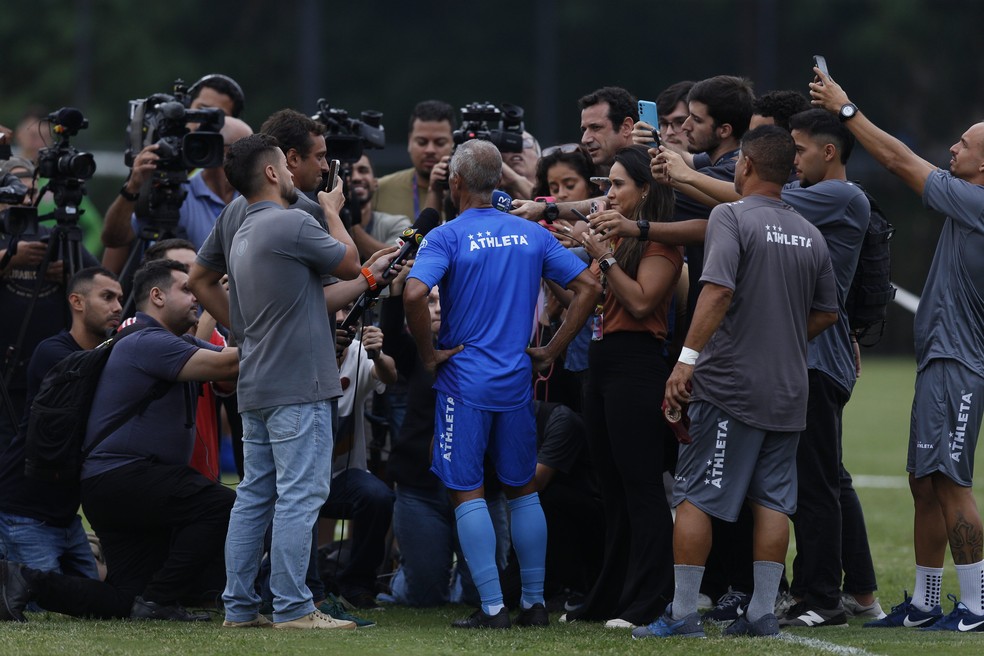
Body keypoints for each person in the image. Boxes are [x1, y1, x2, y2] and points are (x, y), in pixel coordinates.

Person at [633, 126, 838, 640]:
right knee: (773, 501)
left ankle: (681, 615)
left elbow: (717, 291)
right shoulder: (808, 231)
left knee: (697, 496)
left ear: (744, 165)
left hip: (730, 387)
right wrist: (780, 335)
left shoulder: (730, 215)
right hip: (789, 388)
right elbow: (827, 313)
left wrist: (686, 360)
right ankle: (763, 614)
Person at [811, 65, 984, 632]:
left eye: (963, 144)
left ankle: (978, 608)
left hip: (960, 364)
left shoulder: (978, 203)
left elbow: (898, 160)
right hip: (939, 359)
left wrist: (845, 108)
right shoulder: (967, 200)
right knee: (923, 482)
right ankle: (927, 603)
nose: (951, 149)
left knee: (952, 482)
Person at [403, 139, 600, 628]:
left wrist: (430, 356)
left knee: (466, 491)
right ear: (497, 184)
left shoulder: (446, 236)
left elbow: (412, 294)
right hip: (516, 383)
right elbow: (590, 287)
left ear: (456, 184)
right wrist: (551, 350)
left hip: (464, 383)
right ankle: (533, 604)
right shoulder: (530, 233)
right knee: (522, 491)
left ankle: (492, 607)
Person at [0, 259, 240, 623]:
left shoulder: (170, 341)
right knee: (221, 505)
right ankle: (160, 600)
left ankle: (22, 580)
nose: (198, 298)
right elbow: (229, 366)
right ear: (157, 296)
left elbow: (236, 360)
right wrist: (290, 329)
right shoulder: (148, 341)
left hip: (110, 485)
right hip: (126, 478)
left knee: (125, 597)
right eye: (188, 289)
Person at [218, 134, 359, 631]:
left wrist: (368, 280)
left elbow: (311, 297)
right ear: (275, 173)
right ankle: (295, 607)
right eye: (286, 165)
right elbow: (347, 260)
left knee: (255, 493)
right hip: (299, 383)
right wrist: (334, 210)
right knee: (301, 495)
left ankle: (239, 607)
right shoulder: (293, 222)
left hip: (256, 383)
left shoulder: (242, 231)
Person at [555, 145, 682, 629]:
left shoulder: (659, 244)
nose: (607, 194)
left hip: (637, 367)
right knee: (611, 491)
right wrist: (566, 258)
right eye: (607, 184)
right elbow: (586, 298)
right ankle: (607, 599)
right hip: (603, 365)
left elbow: (644, 302)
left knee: (641, 488)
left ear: (645, 191)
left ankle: (647, 601)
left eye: (617, 185)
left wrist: (601, 256)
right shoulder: (617, 242)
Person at [776, 109, 881, 628]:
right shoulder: (820, 196)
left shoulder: (841, 196)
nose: (792, 160)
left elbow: (753, 202)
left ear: (828, 152)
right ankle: (831, 593)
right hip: (808, 360)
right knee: (812, 482)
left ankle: (821, 599)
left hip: (817, 362)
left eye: (797, 149)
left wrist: (683, 174)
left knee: (815, 486)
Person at [0, 267, 121, 584]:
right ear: (77, 302)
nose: (119, 307)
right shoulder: (52, 352)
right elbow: (94, 374)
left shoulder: (108, 353)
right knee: (42, 605)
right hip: (22, 513)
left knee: (96, 599)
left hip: (66, 520)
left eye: (121, 299)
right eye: (107, 297)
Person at [320, 308, 397, 608]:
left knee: (378, 496)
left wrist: (377, 354)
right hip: (294, 476)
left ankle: (357, 585)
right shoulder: (302, 349)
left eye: (348, 310)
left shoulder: (356, 352)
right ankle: (276, 582)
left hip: (339, 478)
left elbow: (389, 375)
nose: (342, 318)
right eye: (334, 313)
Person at [101, 116, 254, 259]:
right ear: (216, 149)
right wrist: (133, 186)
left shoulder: (253, 193)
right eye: (244, 150)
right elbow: (114, 238)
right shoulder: (176, 194)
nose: (253, 158)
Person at [375, 100, 455, 220]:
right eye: (422, 142)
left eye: (440, 143)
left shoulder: (469, 192)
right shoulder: (379, 190)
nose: (430, 150)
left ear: (454, 143)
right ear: (409, 141)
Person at [347, 153, 412, 260]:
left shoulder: (397, 223)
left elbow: (395, 258)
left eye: (363, 170)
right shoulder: (323, 222)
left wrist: (352, 223)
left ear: (375, 182)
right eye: (348, 172)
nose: (356, 178)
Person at [579, 86, 637, 173]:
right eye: (584, 130)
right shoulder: (597, 181)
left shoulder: (658, 175)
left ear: (626, 127)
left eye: (595, 127)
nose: (585, 140)